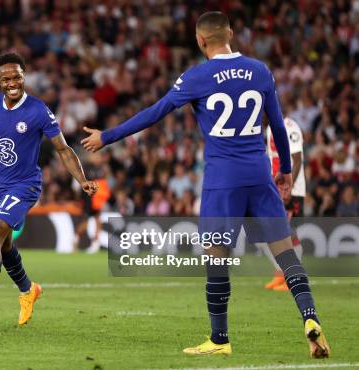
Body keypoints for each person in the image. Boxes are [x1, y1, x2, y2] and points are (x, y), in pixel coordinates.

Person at [82, 12, 329, 358]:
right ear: (230, 33)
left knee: (216, 257)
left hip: (222, 181)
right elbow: (276, 123)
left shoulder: (197, 76)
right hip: (259, 176)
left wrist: (107, 136)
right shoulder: (260, 70)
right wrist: (286, 169)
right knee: (285, 252)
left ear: (200, 41)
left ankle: (220, 338)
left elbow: (156, 112)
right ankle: (310, 317)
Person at [0, 53, 98, 329]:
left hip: (25, 185)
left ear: (24, 76)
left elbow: (63, 149)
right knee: (3, 247)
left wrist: (82, 180)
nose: (12, 82)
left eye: (17, 76)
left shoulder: (39, 110)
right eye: (6, 78)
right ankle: (29, 290)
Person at [260, 117, 306, 291]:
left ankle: (293, 278)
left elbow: (297, 159)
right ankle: (281, 274)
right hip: (276, 188)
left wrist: (287, 187)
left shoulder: (289, 126)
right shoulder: (269, 129)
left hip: (291, 190)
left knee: (287, 234)